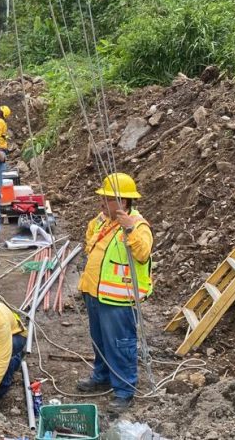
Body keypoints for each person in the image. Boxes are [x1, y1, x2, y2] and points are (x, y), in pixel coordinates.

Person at [76, 173, 153, 412]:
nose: (102, 202)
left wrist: (129, 229)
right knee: (99, 340)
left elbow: (143, 253)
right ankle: (102, 376)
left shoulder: (138, 225)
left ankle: (124, 390)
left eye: (107, 198)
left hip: (118, 299)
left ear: (123, 201)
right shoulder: (102, 220)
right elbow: (90, 239)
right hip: (95, 293)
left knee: (120, 344)